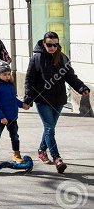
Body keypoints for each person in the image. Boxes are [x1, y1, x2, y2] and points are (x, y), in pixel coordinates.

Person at [24, 31, 91, 173]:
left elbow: (71, 77)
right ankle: (57, 158)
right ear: (44, 43)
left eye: (55, 44)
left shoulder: (62, 58)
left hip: (58, 100)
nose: (53, 47)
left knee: (50, 128)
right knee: (49, 128)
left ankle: (41, 151)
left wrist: (81, 87)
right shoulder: (36, 58)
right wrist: (28, 99)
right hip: (42, 100)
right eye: (49, 45)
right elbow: (29, 80)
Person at [0, 60, 29, 164]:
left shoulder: (9, 85)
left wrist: (22, 104)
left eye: (9, 74)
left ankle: (16, 154)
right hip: (1, 118)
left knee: (15, 136)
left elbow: (13, 99)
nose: (8, 76)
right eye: (4, 74)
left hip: (12, 116)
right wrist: (1, 117)